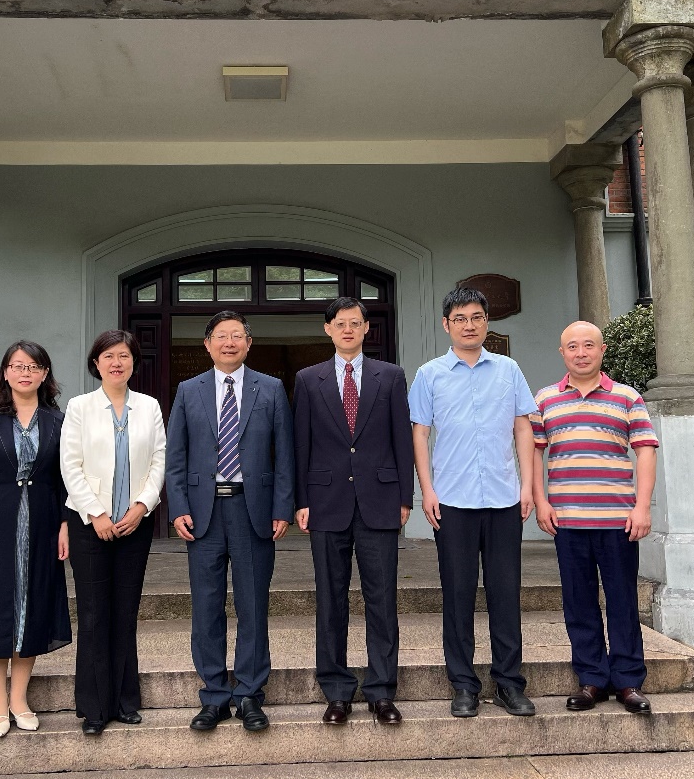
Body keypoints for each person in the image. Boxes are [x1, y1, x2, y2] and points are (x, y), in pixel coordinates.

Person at [409, 286, 539, 719]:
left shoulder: (508, 369)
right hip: (452, 501)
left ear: (486, 322)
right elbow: (420, 434)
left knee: (506, 594)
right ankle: (463, 685)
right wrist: (427, 490)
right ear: (446, 324)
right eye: (460, 318)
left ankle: (509, 683)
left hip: (503, 498)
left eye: (477, 317)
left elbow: (523, 427)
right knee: (458, 595)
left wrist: (526, 486)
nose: (469, 325)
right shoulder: (429, 374)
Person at [165, 310, 295, 733]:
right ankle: (215, 696)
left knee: (253, 605)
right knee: (206, 607)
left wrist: (282, 508)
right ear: (207, 344)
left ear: (248, 343)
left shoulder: (271, 388)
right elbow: (176, 456)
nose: (229, 342)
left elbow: (285, 454)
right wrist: (178, 506)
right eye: (221, 336)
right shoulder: (188, 390)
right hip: (203, 513)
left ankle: (250, 694)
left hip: (252, 510)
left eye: (237, 335)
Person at [294, 296, 413, 726]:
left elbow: (402, 438)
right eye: (340, 323)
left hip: (380, 500)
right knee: (331, 599)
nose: (348, 329)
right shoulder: (308, 379)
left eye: (355, 323)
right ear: (328, 329)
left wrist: (405, 498)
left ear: (366, 328)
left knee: (382, 598)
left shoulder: (391, 376)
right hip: (326, 502)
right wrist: (301, 500)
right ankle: (337, 691)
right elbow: (300, 443)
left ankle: (382, 691)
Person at [531, 321, 659, 715]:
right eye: (572, 346)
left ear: (602, 350)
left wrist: (642, 506)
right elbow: (534, 452)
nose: (581, 353)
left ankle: (628, 681)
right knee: (579, 602)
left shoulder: (627, 397)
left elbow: (645, 450)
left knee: (623, 601)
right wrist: (540, 501)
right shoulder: (545, 399)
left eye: (589, 345)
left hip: (618, 520)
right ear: (562, 353)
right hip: (567, 520)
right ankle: (591, 679)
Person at [0, 341, 73, 738]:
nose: (25, 372)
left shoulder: (58, 421)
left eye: (34, 366)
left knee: (32, 606)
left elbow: (64, 479)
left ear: (45, 374)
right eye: (18, 366)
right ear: (5, 372)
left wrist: (65, 524)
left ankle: (19, 699)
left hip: (43, 522)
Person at [61, 329, 167, 735]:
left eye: (123, 356)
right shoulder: (80, 407)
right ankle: (94, 707)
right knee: (92, 613)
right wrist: (96, 513)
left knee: (125, 611)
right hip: (90, 525)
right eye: (108, 356)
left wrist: (142, 506)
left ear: (133, 362)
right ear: (96, 363)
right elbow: (70, 464)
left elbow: (159, 460)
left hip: (134, 524)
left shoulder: (149, 406)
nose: (116, 362)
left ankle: (125, 701)